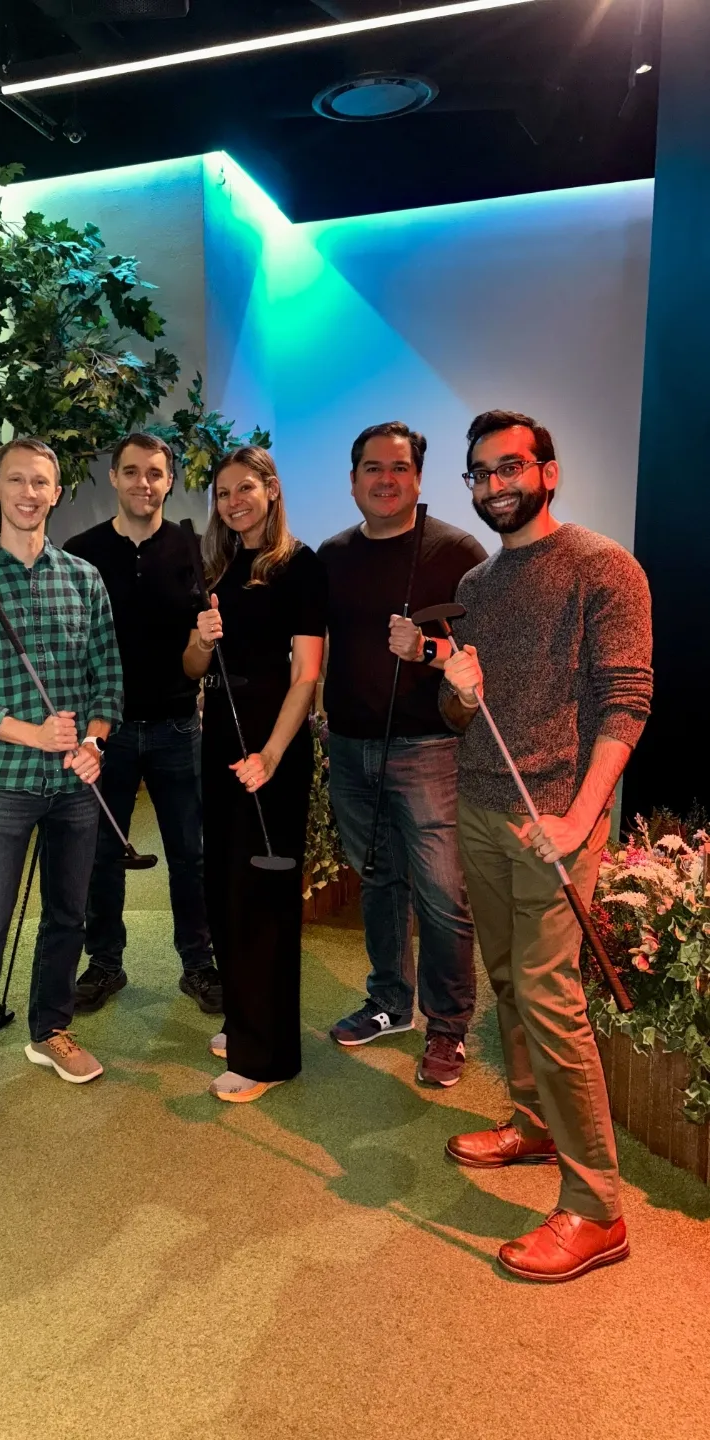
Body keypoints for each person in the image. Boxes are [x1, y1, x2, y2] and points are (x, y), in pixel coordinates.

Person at [439, 410, 652, 1281]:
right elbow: (462, 717)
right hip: (485, 808)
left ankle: (597, 1206)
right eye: (481, 474)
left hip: (555, 816)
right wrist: (455, 688)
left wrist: (578, 819)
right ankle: (531, 1121)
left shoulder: (604, 568)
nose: (495, 486)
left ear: (549, 472)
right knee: (506, 980)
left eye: (510, 469)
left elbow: (626, 703)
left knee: (548, 993)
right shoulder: (479, 585)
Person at [0, 437, 123, 1144]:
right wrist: (29, 732)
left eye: (41, 481)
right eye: (16, 479)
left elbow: (108, 676)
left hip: (76, 786)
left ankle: (50, 1030)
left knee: (67, 916)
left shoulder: (84, 579)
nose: (29, 492)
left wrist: (94, 742)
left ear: (55, 492)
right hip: (6, 784)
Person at [320, 422, 486, 1087]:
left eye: (397, 468)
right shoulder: (332, 555)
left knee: (443, 894)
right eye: (370, 468)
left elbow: (482, 656)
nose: (383, 479)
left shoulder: (455, 551)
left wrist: (424, 650)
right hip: (351, 746)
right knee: (380, 884)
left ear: (418, 476)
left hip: (428, 752)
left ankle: (448, 1026)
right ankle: (391, 1002)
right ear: (353, 478)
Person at [186, 447, 326, 1103]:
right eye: (222, 493)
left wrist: (270, 755)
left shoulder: (301, 567)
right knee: (225, 890)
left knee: (261, 901)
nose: (234, 501)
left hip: (272, 752)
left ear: (271, 490)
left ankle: (266, 1058)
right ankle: (245, 1021)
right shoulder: (220, 566)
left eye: (246, 488)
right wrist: (203, 638)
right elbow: (192, 668)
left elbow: (306, 675)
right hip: (221, 746)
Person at [65, 434, 219, 1015]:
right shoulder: (81, 552)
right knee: (103, 852)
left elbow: (198, 648)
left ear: (169, 479)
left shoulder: (193, 551)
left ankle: (198, 964)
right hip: (108, 732)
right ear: (113, 477)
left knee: (189, 852)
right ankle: (104, 962)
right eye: (131, 472)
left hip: (178, 726)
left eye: (154, 473)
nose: (143, 484)